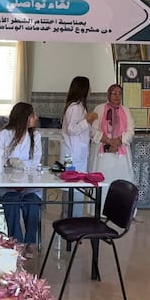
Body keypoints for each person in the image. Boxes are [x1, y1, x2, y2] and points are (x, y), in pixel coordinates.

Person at [0, 102, 43, 256]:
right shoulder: (4, 135)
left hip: (29, 185)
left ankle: (30, 242)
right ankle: (16, 242)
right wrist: (9, 162)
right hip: (7, 185)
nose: (35, 118)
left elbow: (36, 161)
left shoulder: (35, 136)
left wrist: (22, 164)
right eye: (32, 115)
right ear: (24, 117)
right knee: (12, 201)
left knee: (32, 203)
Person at [90, 83, 136, 196]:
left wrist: (118, 141)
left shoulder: (125, 110)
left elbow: (131, 130)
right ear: (108, 95)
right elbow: (93, 130)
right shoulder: (99, 109)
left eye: (119, 93)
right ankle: (101, 206)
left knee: (120, 182)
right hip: (102, 155)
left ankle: (119, 206)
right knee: (103, 183)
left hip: (121, 155)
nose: (117, 96)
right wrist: (109, 141)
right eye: (114, 93)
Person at [61, 76, 98, 216]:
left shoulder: (79, 107)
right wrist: (87, 120)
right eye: (89, 87)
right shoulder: (75, 107)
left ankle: (69, 220)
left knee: (74, 190)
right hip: (72, 157)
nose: (91, 90)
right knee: (74, 191)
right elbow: (72, 129)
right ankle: (72, 222)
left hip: (76, 156)